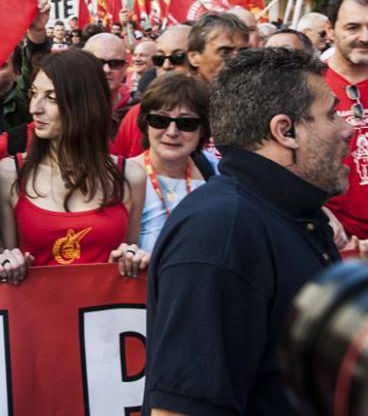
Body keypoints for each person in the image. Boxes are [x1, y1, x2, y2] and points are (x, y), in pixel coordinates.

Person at [143, 48, 352, 416]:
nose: (347, 128)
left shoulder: (293, 214)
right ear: (285, 130)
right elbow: (182, 409)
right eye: (332, 114)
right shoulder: (220, 231)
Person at [0, 50, 146, 285]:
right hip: (37, 314)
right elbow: (11, 267)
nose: (35, 108)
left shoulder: (130, 176)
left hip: (105, 316)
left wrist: (133, 259)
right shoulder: (10, 173)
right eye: (34, 94)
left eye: (51, 97)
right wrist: (4, 260)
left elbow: (129, 255)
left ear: (84, 102)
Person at [125, 73, 212, 253]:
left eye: (186, 123)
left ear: (202, 129)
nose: (172, 132)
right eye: (160, 120)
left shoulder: (216, 172)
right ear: (145, 123)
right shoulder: (122, 177)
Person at [324, 0, 368, 240]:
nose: (365, 36)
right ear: (331, 30)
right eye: (353, 27)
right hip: (335, 240)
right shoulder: (306, 85)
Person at [112, 25, 192, 158]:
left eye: (178, 57)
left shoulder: (224, 109)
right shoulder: (137, 115)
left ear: (197, 57)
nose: (166, 66)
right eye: (159, 59)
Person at [84, 32, 133, 131]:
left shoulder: (138, 111)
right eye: (98, 62)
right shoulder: (69, 108)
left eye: (115, 63)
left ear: (125, 68)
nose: (106, 70)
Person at [186, 13, 250, 84]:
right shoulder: (177, 93)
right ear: (194, 58)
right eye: (225, 52)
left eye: (243, 52)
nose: (237, 60)